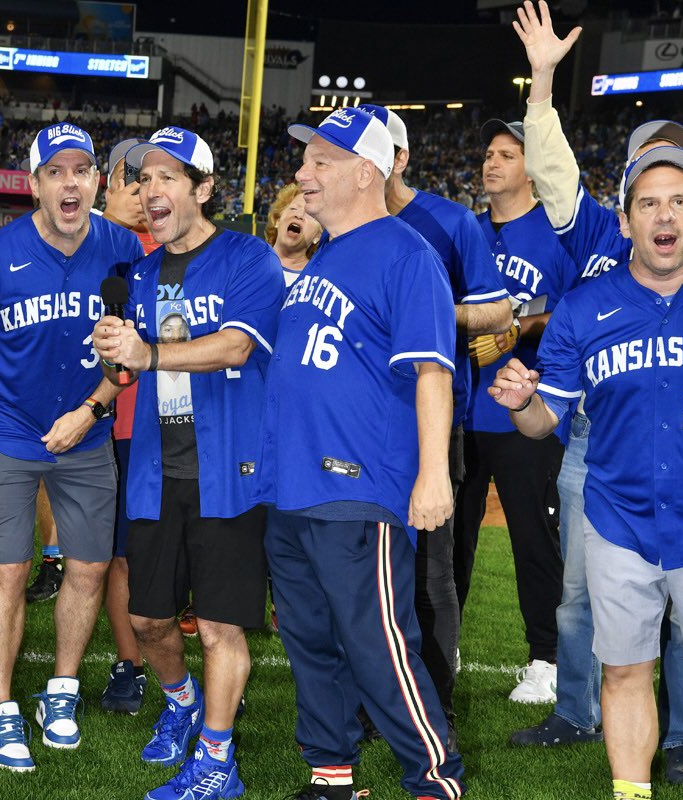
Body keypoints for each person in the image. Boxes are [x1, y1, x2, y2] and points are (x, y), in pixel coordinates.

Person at [509, 3, 683, 783]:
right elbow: (552, 166)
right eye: (648, 171)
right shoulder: (594, 229)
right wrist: (543, 82)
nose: (663, 194)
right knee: (577, 596)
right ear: (625, 188)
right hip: (595, 437)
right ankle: (576, 709)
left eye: (677, 175)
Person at [488, 144, 683, 800]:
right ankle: (630, 791)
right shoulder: (584, 306)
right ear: (624, 222)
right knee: (624, 671)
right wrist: (523, 404)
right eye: (647, 203)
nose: (664, 214)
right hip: (617, 520)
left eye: (678, 200)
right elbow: (546, 420)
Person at [255, 106, 464, 800]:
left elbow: (432, 372)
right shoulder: (327, 253)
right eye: (305, 160)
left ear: (366, 172)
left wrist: (433, 475)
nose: (302, 174)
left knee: (377, 646)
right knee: (310, 640)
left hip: (357, 485)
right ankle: (331, 775)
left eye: (320, 162)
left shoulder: (407, 254)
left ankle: (434, 780)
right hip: (292, 486)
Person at [93, 125, 285, 800]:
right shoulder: (140, 275)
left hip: (228, 472)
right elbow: (125, 373)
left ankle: (217, 760)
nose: (151, 190)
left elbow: (236, 346)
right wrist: (113, 356)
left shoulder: (247, 257)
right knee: (148, 620)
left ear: (204, 189)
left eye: (168, 177)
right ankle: (182, 705)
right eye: (143, 178)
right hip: (156, 469)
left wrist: (147, 353)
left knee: (220, 625)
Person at [0, 123, 143, 772]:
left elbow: (128, 355)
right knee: (7, 571)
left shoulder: (121, 248)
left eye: (81, 170)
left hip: (85, 434)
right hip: (6, 430)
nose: (69, 183)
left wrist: (90, 412)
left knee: (88, 567)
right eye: (55, 172)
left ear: (97, 181)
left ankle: (60, 691)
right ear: (33, 185)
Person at [360, 102, 512, 746]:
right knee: (364, 569)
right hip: (358, 421)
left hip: (431, 417)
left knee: (430, 572)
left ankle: (436, 704)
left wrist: (424, 309)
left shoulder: (451, 221)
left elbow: (498, 312)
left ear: (399, 159)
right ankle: (374, 700)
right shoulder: (343, 225)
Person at [452, 116, 580, 705]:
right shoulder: (466, 230)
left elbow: (579, 312)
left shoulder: (556, 234)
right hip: (461, 409)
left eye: (507, 153)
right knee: (449, 539)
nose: (492, 162)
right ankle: (443, 645)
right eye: (489, 153)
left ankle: (545, 659)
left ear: (532, 168)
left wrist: (520, 326)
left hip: (528, 409)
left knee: (534, 537)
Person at [97, 136, 157, 715]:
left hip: (180, 424)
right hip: (117, 426)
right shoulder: (93, 245)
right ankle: (129, 661)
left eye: (154, 177)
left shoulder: (184, 245)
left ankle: (196, 666)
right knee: (121, 553)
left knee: (183, 553)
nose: (143, 189)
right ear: (110, 183)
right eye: (131, 177)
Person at [264, 182, 322, 284]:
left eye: (310, 214)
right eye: (293, 208)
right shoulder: (248, 260)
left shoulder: (318, 281)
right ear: (277, 221)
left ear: (318, 237)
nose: (299, 215)